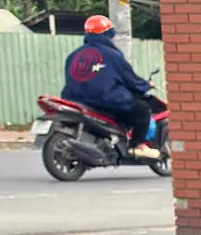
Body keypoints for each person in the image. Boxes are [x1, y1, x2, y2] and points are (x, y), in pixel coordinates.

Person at [61, 14, 164, 160]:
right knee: (141, 110)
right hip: (105, 100)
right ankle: (138, 145)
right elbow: (130, 79)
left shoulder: (73, 56)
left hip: (75, 99)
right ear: (108, 33)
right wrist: (146, 85)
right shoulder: (112, 54)